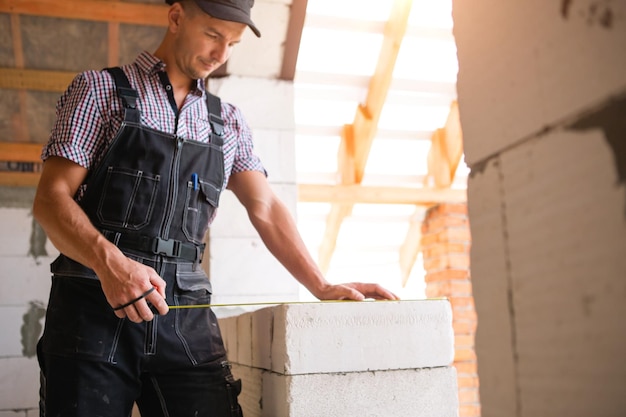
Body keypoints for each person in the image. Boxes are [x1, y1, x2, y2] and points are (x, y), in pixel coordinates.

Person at [32, 0, 400, 416]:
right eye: (212, 35)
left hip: (184, 316)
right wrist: (110, 265)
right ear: (175, 18)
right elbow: (50, 200)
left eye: (232, 43)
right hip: (91, 309)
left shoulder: (228, 122)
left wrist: (321, 285)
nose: (220, 54)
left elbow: (265, 207)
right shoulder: (99, 89)